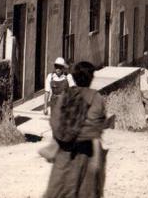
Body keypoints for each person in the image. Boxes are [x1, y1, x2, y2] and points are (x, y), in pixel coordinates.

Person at [44, 61, 107, 198]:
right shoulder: (95, 97)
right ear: (91, 78)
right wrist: (96, 160)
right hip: (86, 155)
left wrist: (61, 139)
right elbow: (95, 129)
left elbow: (55, 122)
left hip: (63, 156)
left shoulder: (65, 96)